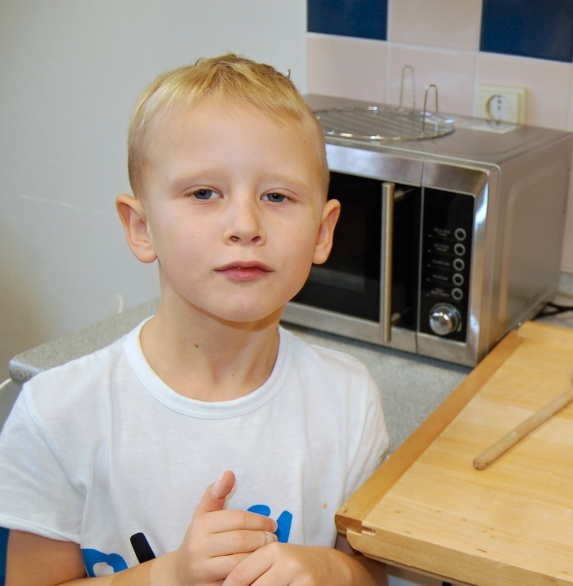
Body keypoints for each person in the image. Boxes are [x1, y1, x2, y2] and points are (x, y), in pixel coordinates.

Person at [0, 54, 389, 585]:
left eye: (277, 196)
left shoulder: (348, 400)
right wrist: (170, 577)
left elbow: (370, 574)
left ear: (323, 233)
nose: (245, 224)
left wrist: (334, 570)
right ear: (141, 228)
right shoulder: (59, 416)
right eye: (204, 193)